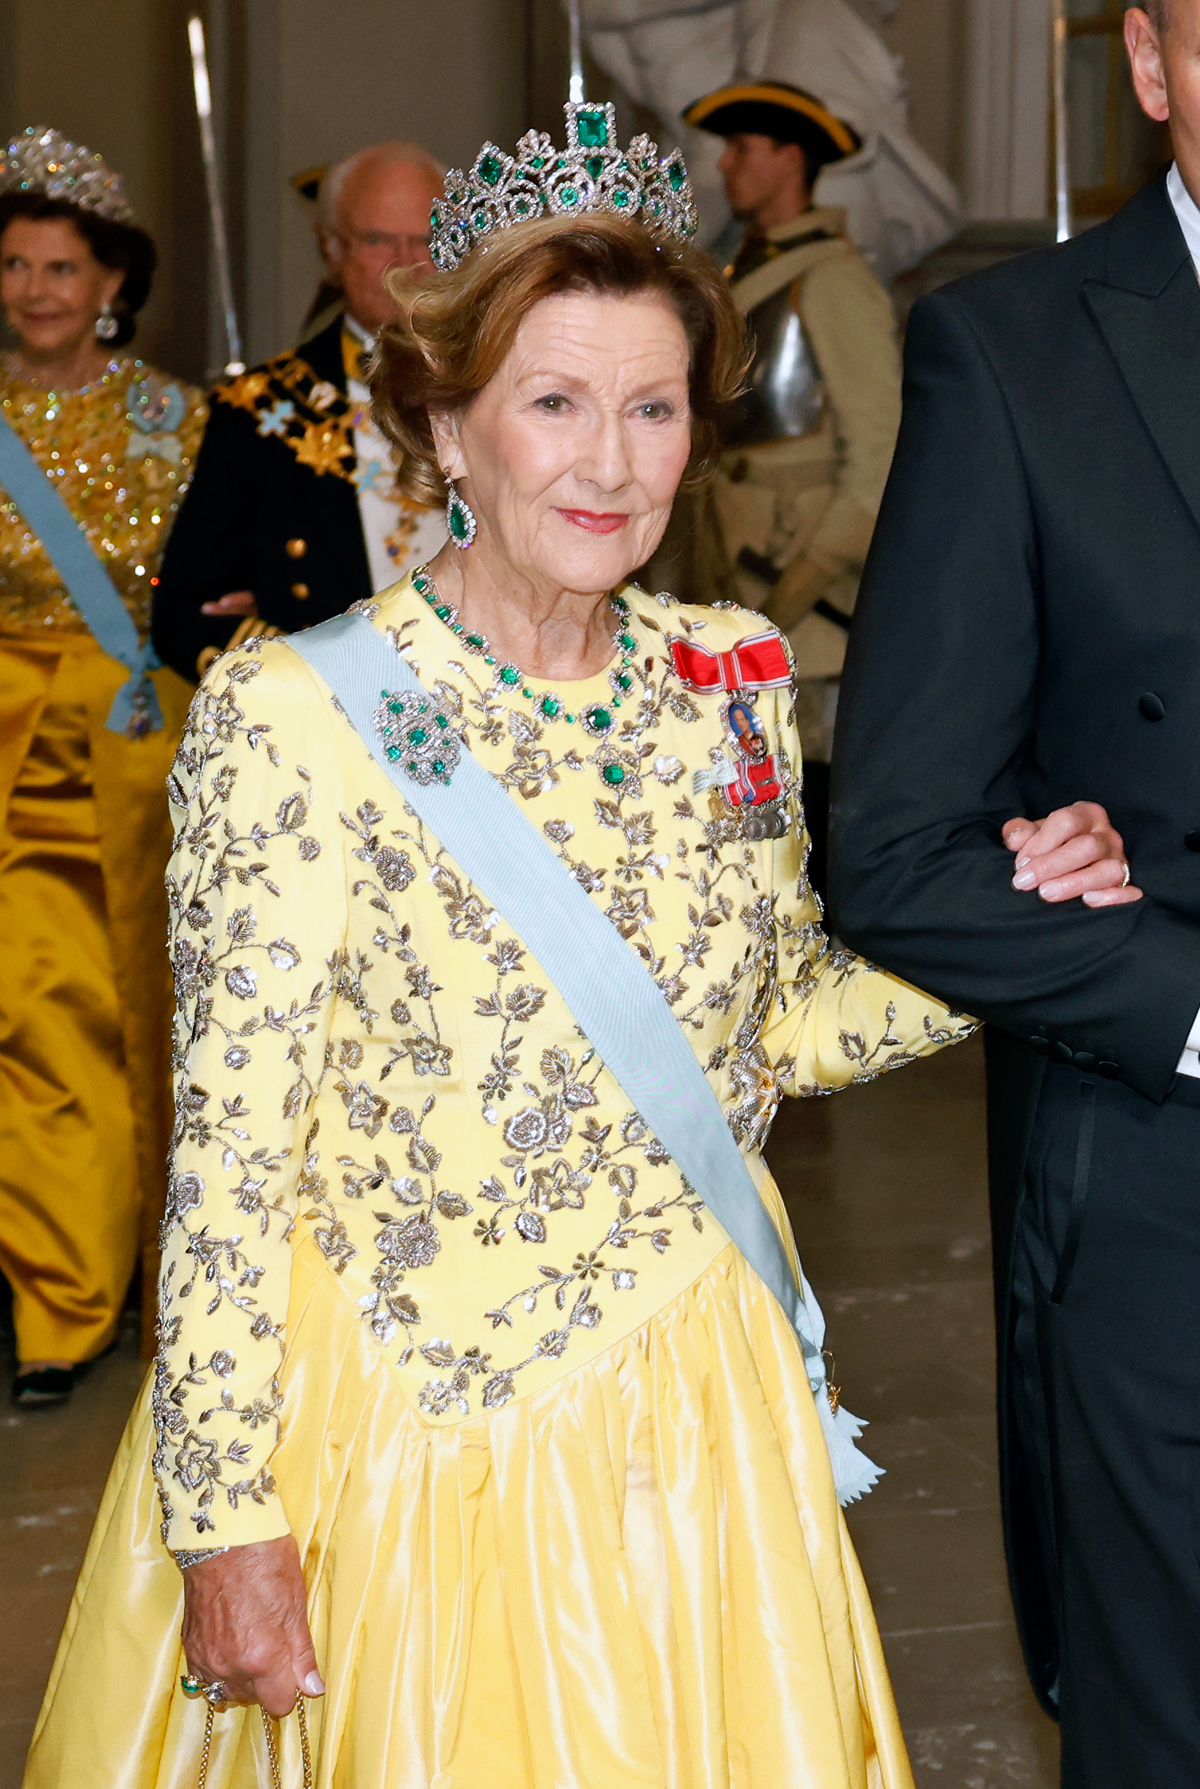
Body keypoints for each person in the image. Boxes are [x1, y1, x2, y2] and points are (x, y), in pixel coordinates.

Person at [26, 105, 1128, 1789]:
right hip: (408, 1431)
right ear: (448, 428)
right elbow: (232, 1161)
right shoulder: (294, 714)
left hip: (695, 1415)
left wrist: (1011, 911)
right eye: (552, 403)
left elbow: (774, 1033)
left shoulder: (733, 675)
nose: (609, 465)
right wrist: (224, 1520)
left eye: (652, 407)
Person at [827, 4, 1200, 1782]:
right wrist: (1178, 996)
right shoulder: (1013, 352)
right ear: (1150, 65)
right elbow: (898, 839)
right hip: (1168, 1173)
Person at [0, 127, 204, 1408]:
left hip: (144, 744)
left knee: (181, 1020)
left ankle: (176, 1277)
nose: (33, 290)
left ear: (112, 281)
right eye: (14, 265)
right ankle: (60, 1297)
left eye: (59, 266)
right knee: (43, 1020)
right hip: (16, 756)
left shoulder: (181, 420)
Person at [673, 80, 901, 893]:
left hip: (810, 614)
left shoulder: (831, 280)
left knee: (812, 840)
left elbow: (876, 466)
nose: (727, 165)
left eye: (744, 148)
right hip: (734, 595)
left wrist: (794, 592)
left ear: (791, 159)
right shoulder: (740, 268)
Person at [151, 141, 447, 683]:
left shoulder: (507, 390)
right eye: (377, 239)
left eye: (427, 239)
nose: (406, 262)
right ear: (332, 250)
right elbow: (187, 616)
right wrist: (315, 681)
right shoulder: (259, 410)